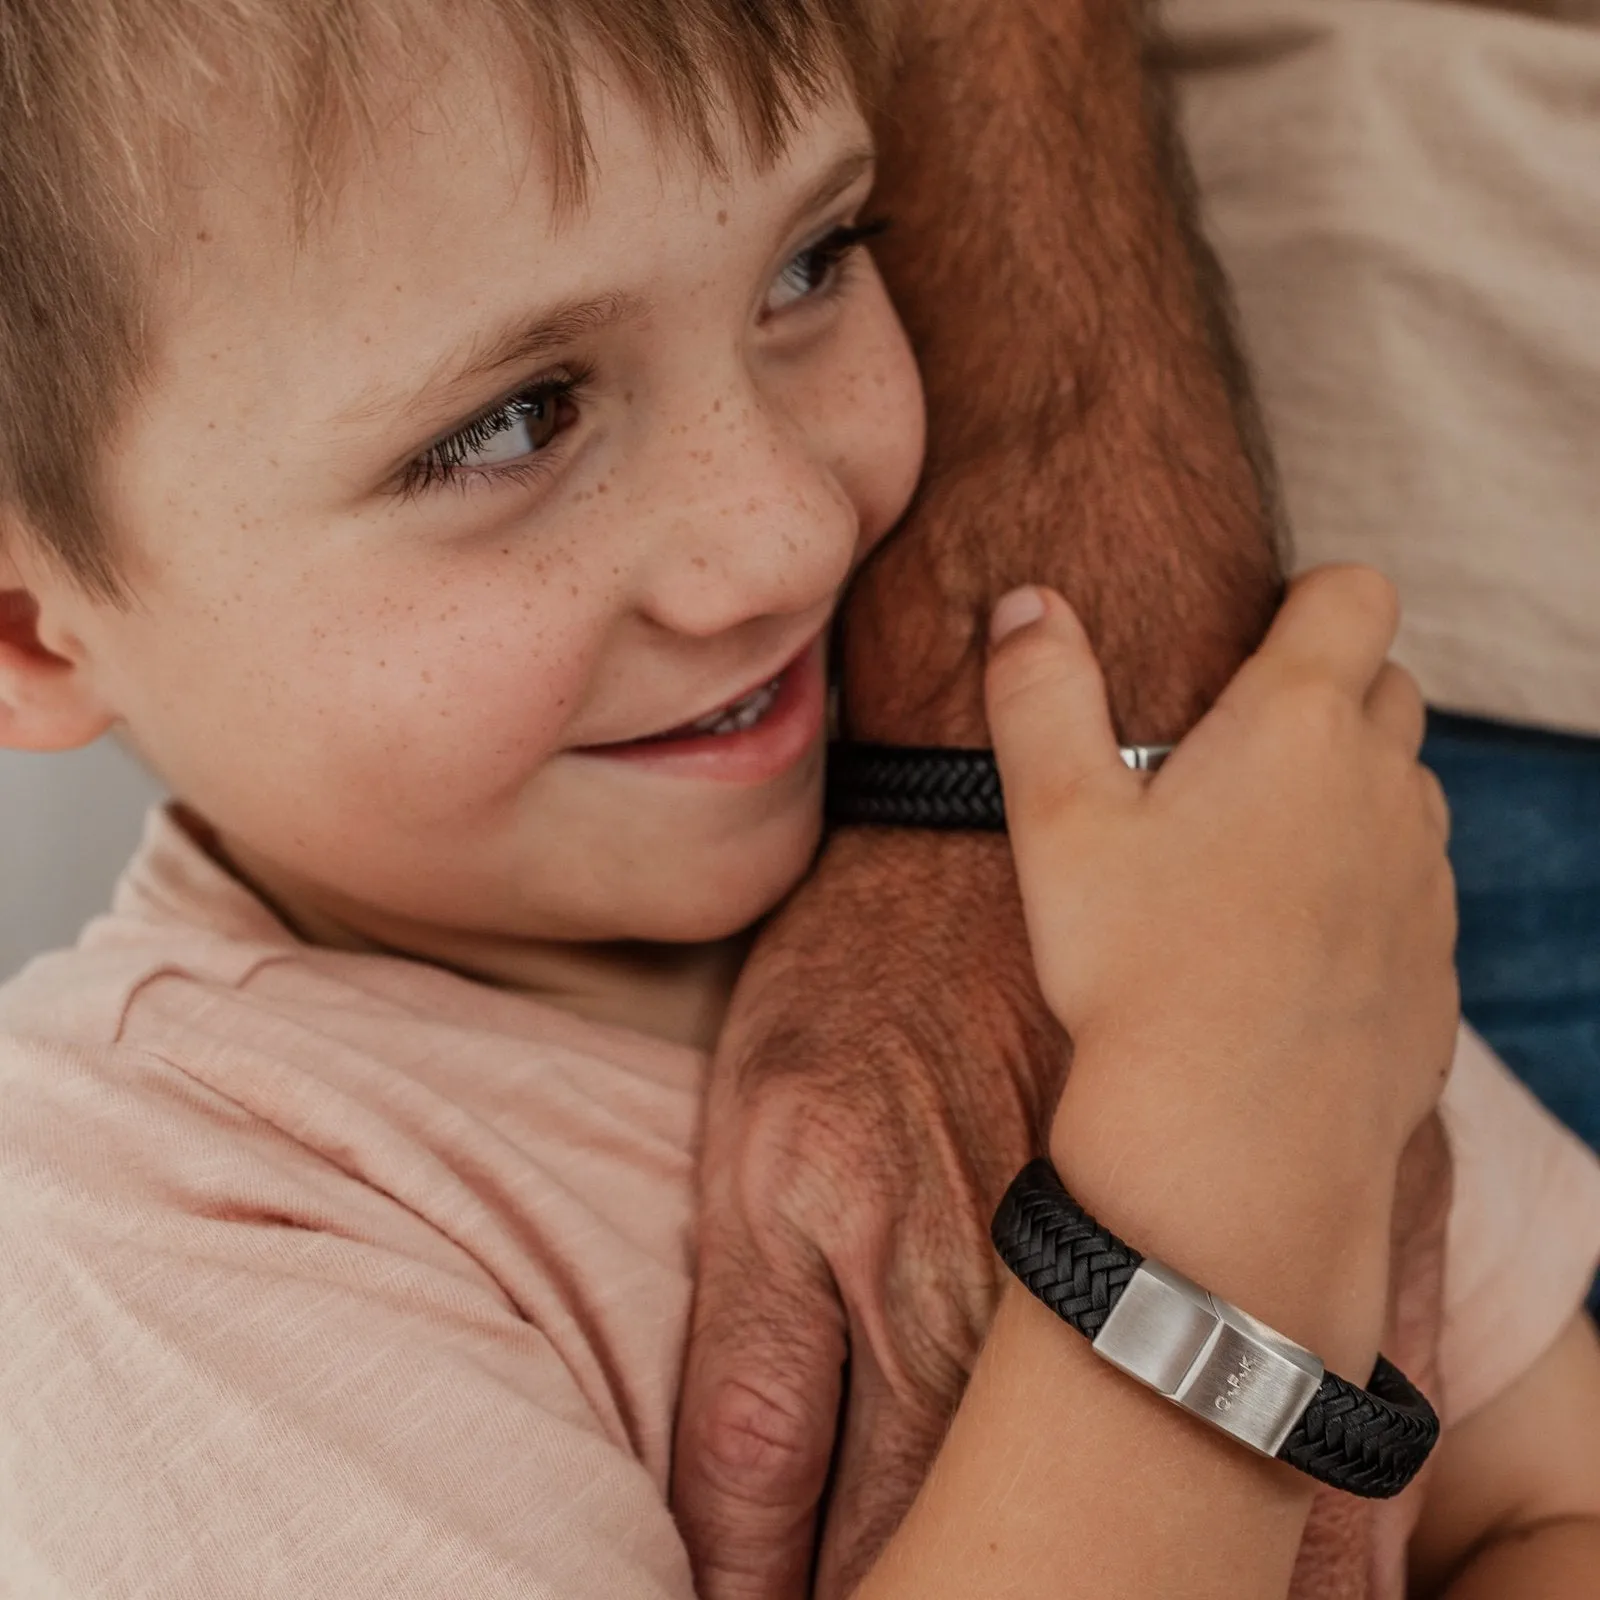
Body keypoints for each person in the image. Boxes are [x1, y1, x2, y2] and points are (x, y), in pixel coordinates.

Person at [0, 6, 1596, 1600]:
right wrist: (1228, 1172)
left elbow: (1549, 1510)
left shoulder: (1137, 895)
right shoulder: (162, 1231)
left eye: (812, 263)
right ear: (26, 621)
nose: (786, 534)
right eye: (512, 422)